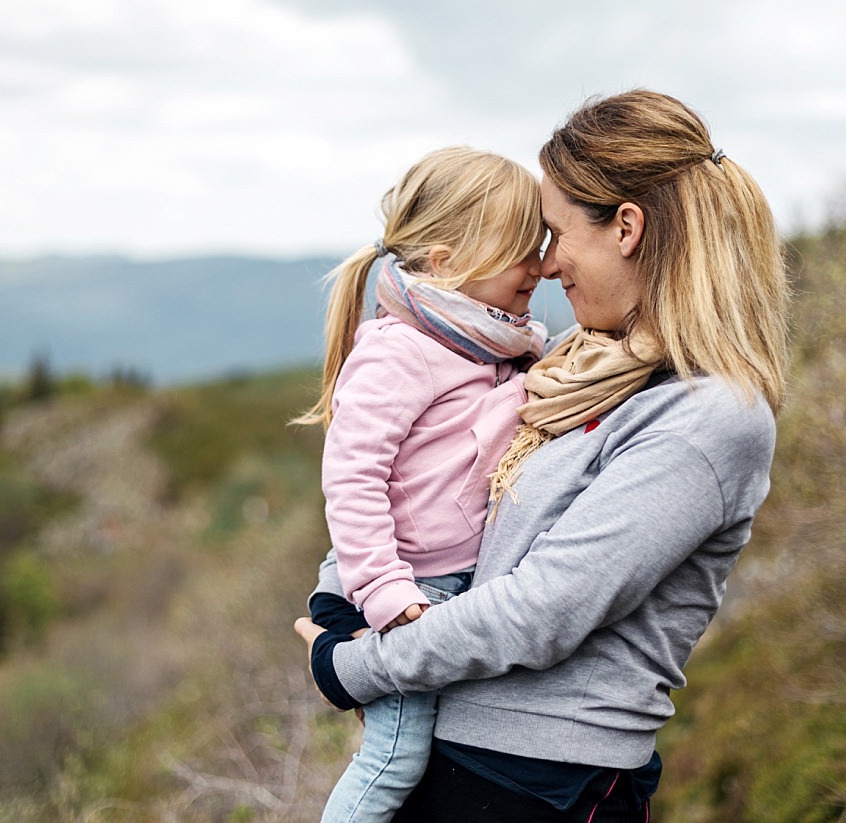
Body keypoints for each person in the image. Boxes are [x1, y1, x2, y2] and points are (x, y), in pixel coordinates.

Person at [295, 89, 790, 822]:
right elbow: (425, 488)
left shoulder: (708, 417)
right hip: (459, 750)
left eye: (556, 234)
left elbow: (541, 610)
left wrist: (353, 664)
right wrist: (345, 593)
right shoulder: (575, 364)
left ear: (626, 227)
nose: (547, 264)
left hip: (544, 783)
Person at [291, 146, 548, 823]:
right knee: (394, 756)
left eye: (542, 245)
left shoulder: (488, 343)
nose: (541, 266)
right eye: (522, 249)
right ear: (445, 262)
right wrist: (387, 593)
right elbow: (352, 477)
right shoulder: (399, 349)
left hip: (438, 587)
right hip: (394, 587)